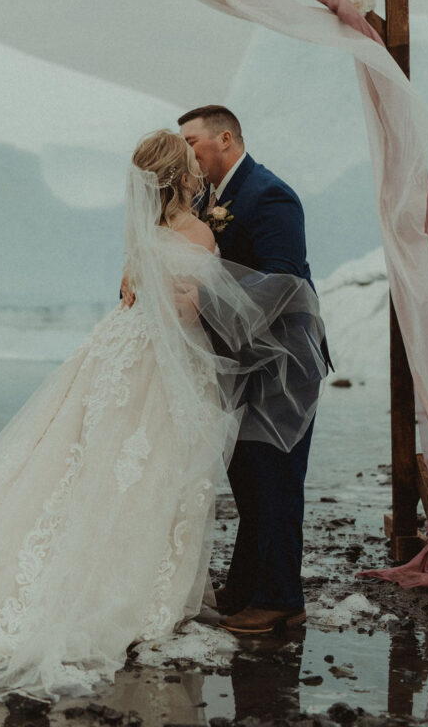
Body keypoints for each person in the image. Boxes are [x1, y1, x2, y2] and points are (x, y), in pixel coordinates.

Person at [0, 130, 326, 701]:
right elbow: (194, 308)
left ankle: (222, 587)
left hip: (122, 352)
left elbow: (179, 286)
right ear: (181, 176)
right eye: (189, 160)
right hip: (160, 364)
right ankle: (151, 592)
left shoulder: (148, 232)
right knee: (150, 472)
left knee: (91, 464)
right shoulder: (195, 228)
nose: (198, 167)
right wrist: (189, 300)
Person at [178, 105, 328, 635]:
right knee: (247, 480)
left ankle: (283, 599)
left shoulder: (271, 195)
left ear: (225, 138)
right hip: (240, 361)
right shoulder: (204, 200)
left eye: (192, 142)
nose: (187, 153)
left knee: (277, 481)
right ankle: (244, 589)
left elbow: (285, 281)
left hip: (283, 364)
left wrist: (207, 298)